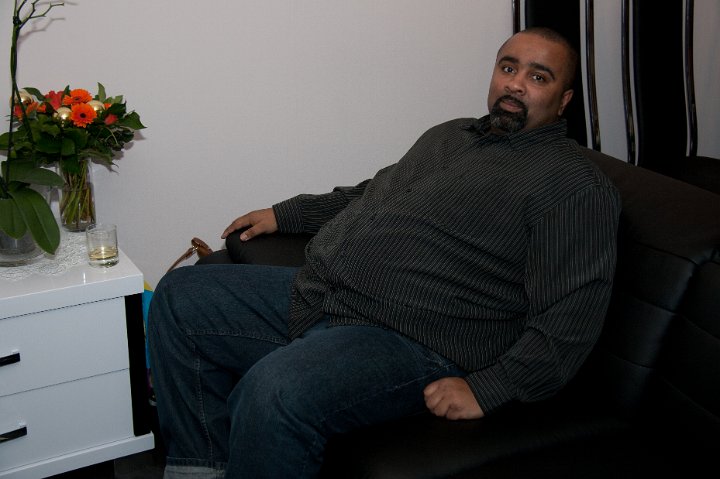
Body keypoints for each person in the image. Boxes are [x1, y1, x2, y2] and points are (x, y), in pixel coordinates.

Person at [149, 26, 621, 479]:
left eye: (538, 76)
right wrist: (287, 214)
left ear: (564, 100)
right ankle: (199, 468)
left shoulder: (574, 186)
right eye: (508, 67)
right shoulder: (451, 134)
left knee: (273, 391)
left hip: (415, 339)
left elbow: (571, 318)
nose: (515, 84)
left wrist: (488, 389)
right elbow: (372, 192)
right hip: (327, 294)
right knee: (180, 297)